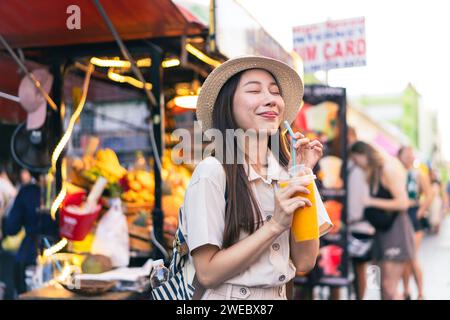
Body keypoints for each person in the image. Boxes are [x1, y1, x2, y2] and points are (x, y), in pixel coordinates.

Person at [182, 56, 332, 300]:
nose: (271, 99)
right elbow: (207, 273)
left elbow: (305, 260)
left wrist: (303, 174)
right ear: (227, 104)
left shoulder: (291, 173)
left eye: (275, 92)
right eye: (254, 90)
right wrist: (276, 225)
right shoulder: (212, 172)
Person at [350, 141, 413, 300]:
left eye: (356, 160)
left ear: (364, 155)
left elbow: (403, 203)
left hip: (396, 232)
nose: (356, 165)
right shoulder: (373, 173)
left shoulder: (387, 168)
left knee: (388, 287)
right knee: (380, 285)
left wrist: (370, 201)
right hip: (381, 233)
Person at [3, 170, 57, 294]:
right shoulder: (63, 191)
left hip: (29, 255)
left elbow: (12, 228)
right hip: (57, 256)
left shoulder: (27, 192)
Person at [397, 146, 433, 300]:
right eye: (406, 154)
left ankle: (420, 292)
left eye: (411, 155)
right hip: (399, 215)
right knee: (404, 257)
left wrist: (420, 211)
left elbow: (430, 194)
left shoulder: (418, 174)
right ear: (399, 156)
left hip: (413, 213)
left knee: (412, 256)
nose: (409, 157)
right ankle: (406, 290)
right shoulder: (396, 172)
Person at [346, 130, 375, 300]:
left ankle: (360, 298)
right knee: (358, 269)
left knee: (360, 269)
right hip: (357, 225)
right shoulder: (356, 168)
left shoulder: (361, 169)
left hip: (361, 226)